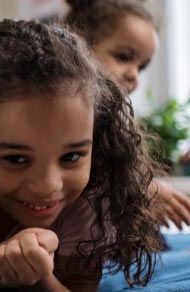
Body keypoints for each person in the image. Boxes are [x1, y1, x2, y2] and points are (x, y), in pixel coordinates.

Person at [0, 19, 163, 292]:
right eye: (16, 158)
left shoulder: (92, 196)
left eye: (71, 156)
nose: (48, 186)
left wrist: (36, 281)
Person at [62, 0, 190, 233]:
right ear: (79, 43)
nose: (134, 76)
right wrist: (139, 189)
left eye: (141, 66)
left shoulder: (111, 119)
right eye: (123, 57)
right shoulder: (61, 114)